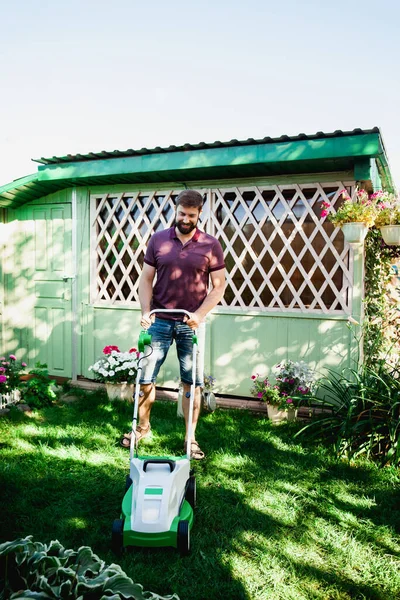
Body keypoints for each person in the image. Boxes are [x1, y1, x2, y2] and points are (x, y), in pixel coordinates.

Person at [120, 190, 226, 459]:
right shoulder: (158, 240)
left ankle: (190, 439)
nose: (185, 219)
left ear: (200, 214)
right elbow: (146, 279)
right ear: (175, 210)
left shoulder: (211, 245)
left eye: (191, 215)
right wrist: (146, 311)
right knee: (145, 378)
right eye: (181, 213)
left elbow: (218, 287)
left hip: (190, 324)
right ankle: (142, 428)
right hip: (159, 321)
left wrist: (200, 315)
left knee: (192, 382)